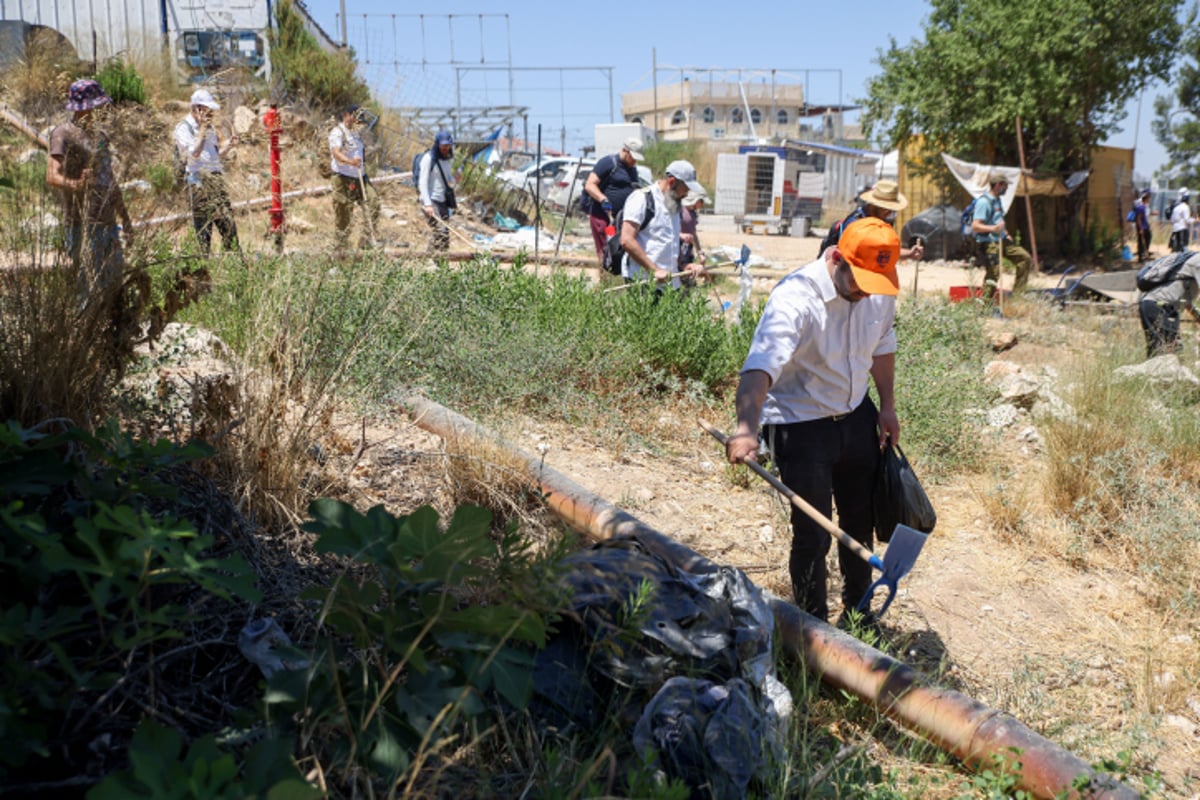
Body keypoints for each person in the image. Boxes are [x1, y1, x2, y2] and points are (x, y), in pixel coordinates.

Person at [724, 216, 901, 629]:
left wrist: (887, 405)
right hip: (800, 422)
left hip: (856, 415)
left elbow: (883, 345)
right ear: (836, 257)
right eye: (858, 281)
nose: (864, 293)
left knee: (860, 522)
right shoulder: (795, 296)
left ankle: (858, 615)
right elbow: (760, 367)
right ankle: (812, 629)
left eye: (874, 284)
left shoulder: (876, 285)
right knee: (813, 533)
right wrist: (747, 428)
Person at [45, 78, 133, 306]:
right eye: (98, 105)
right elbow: (52, 176)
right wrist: (76, 185)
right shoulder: (63, 134)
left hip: (108, 223)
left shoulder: (100, 136)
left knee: (114, 286)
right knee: (85, 290)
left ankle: (112, 335)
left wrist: (126, 219)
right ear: (84, 108)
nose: (102, 110)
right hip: (80, 224)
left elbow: (109, 179)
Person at [619, 160, 706, 291]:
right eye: (685, 189)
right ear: (672, 182)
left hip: (670, 283)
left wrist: (683, 266)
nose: (686, 194)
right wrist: (654, 270)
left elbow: (670, 243)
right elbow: (626, 240)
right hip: (643, 281)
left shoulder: (674, 205)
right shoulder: (641, 198)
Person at [174, 88, 240, 254]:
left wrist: (229, 145)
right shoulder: (184, 127)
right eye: (207, 109)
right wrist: (202, 129)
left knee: (228, 226)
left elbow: (215, 155)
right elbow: (194, 153)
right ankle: (204, 269)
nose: (210, 114)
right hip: (198, 182)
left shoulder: (209, 128)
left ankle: (234, 263)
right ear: (196, 108)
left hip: (215, 179)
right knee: (204, 231)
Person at [819, 180, 924, 261]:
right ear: (874, 205)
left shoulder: (878, 223)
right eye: (887, 208)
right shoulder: (854, 225)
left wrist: (910, 253)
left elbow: (882, 252)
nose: (889, 212)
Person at [329, 104, 381, 253]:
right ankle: (340, 250)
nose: (359, 124)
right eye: (356, 119)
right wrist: (351, 162)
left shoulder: (357, 134)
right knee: (344, 216)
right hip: (343, 178)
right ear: (347, 115)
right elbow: (336, 153)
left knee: (373, 203)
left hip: (360, 177)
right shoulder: (337, 132)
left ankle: (364, 244)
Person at [583, 137, 644, 263]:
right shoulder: (608, 163)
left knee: (618, 251)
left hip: (620, 220)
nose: (634, 161)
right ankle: (605, 280)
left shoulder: (632, 170)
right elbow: (590, 185)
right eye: (633, 157)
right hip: (604, 218)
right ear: (624, 150)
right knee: (606, 252)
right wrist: (602, 199)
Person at [971, 172, 1031, 295]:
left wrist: (1006, 233)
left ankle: (1018, 295)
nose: (1007, 188)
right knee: (994, 272)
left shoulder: (997, 200)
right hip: (989, 243)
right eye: (1005, 185)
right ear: (998, 185)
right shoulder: (983, 202)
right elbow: (975, 226)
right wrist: (994, 228)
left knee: (1024, 258)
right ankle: (986, 303)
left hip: (1001, 239)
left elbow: (998, 221)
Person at [1139, 252, 1200, 357]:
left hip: (1161, 306)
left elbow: (1185, 300)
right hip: (1158, 305)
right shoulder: (1198, 262)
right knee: (1168, 352)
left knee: (1165, 351)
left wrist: (1197, 317)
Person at [418, 130, 456, 252]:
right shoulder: (428, 158)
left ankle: (440, 264)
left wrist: (455, 179)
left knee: (444, 236)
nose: (446, 148)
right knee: (440, 230)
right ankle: (430, 261)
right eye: (443, 145)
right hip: (431, 200)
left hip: (443, 201)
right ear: (437, 144)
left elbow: (448, 180)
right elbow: (422, 182)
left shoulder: (447, 160)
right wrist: (428, 204)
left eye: (448, 145)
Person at [678, 189, 708, 287]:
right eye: (701, 202)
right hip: (677, 253)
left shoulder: (693, 214)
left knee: (689, 284)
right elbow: (669, 230)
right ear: (696, 200)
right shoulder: (679, 211)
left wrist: (700, 252)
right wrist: (681, 235)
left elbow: (694, 234)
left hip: (687, 254)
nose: (702, 205)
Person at [1133, 188, 1152, 263]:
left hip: (1145, 225)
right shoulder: (1140, 207)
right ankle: (1141, 256)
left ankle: (1145, 253)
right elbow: (1139, 218)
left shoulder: (1145, 206)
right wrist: (1140, 228)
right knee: (1141, 241)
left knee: (1148, 237)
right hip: (1142, 226)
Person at [1169, 188, 1191, 253]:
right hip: (1182, 229)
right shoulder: (1185, 207)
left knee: (1176, 249)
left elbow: (1172, 220)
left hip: (1175, 229)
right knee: (1184, 248)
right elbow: (1187, 220)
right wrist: (1195, 220)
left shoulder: (1176, 207)